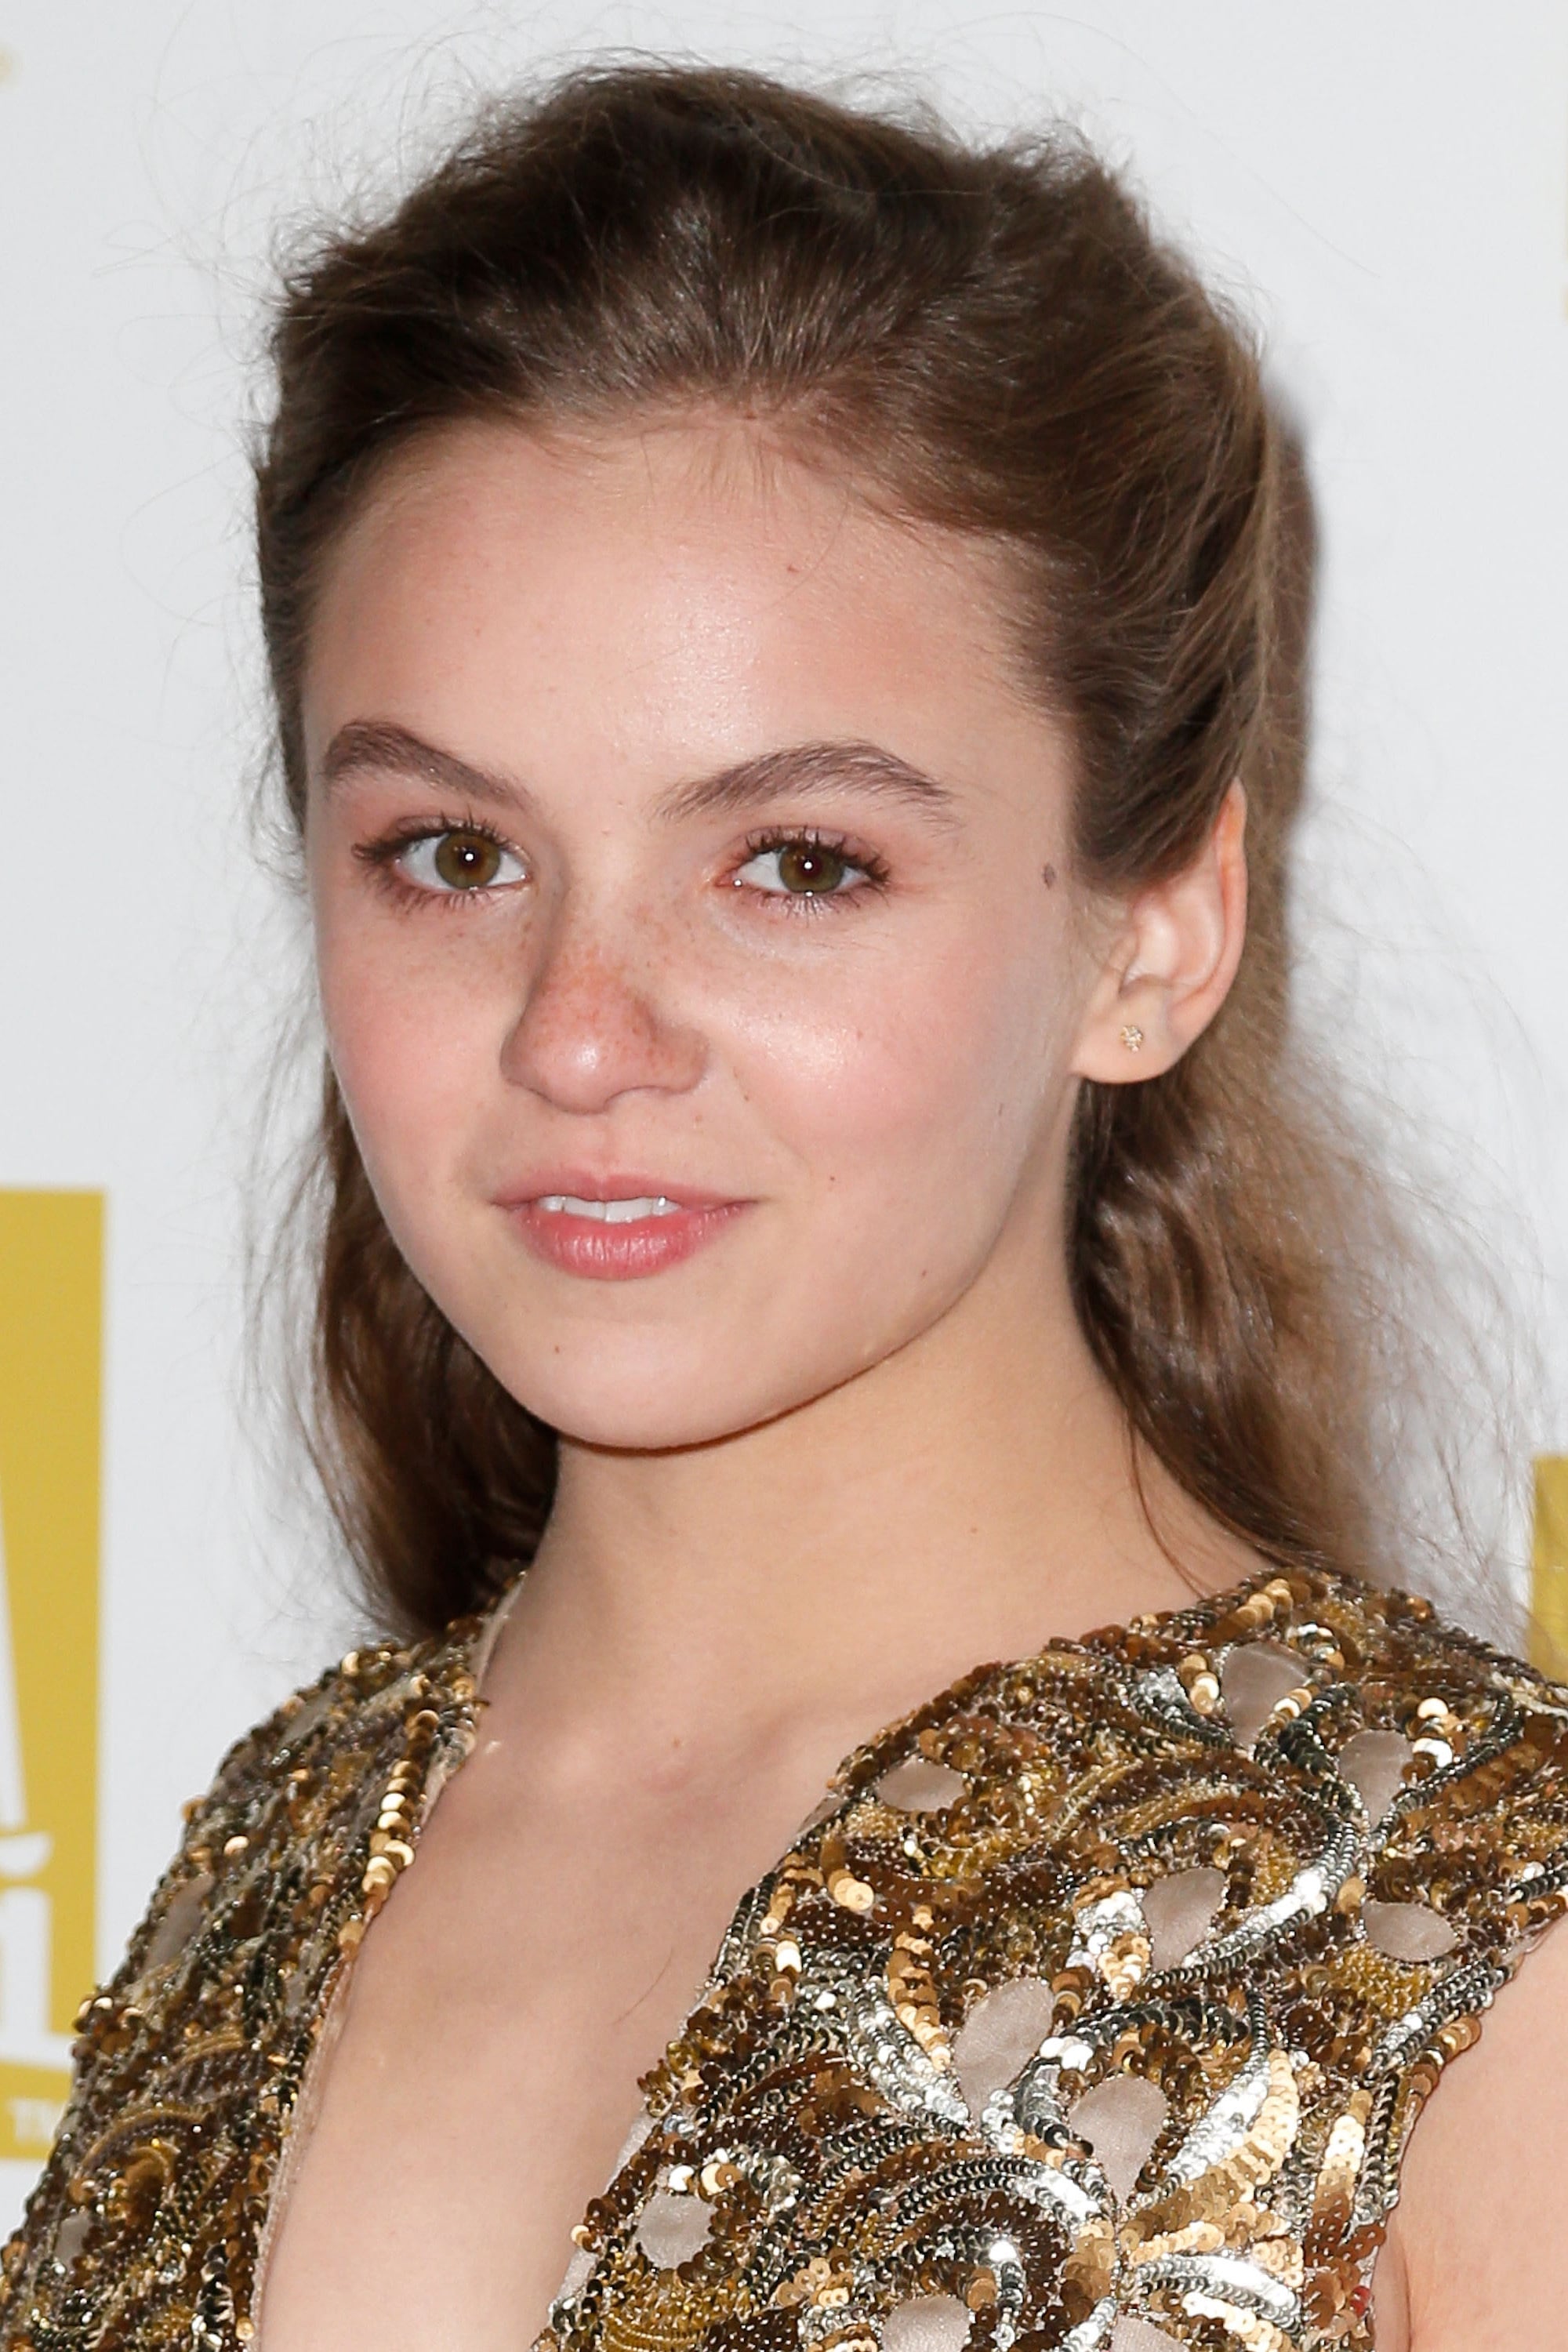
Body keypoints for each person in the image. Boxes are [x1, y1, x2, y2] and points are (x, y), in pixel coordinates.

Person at [4, 62, 1565, 2352]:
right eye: (453, 853)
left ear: (1153, 931)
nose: (578, 1035)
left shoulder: (1488, 1954)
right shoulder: (268, 1858)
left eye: (798, 864)